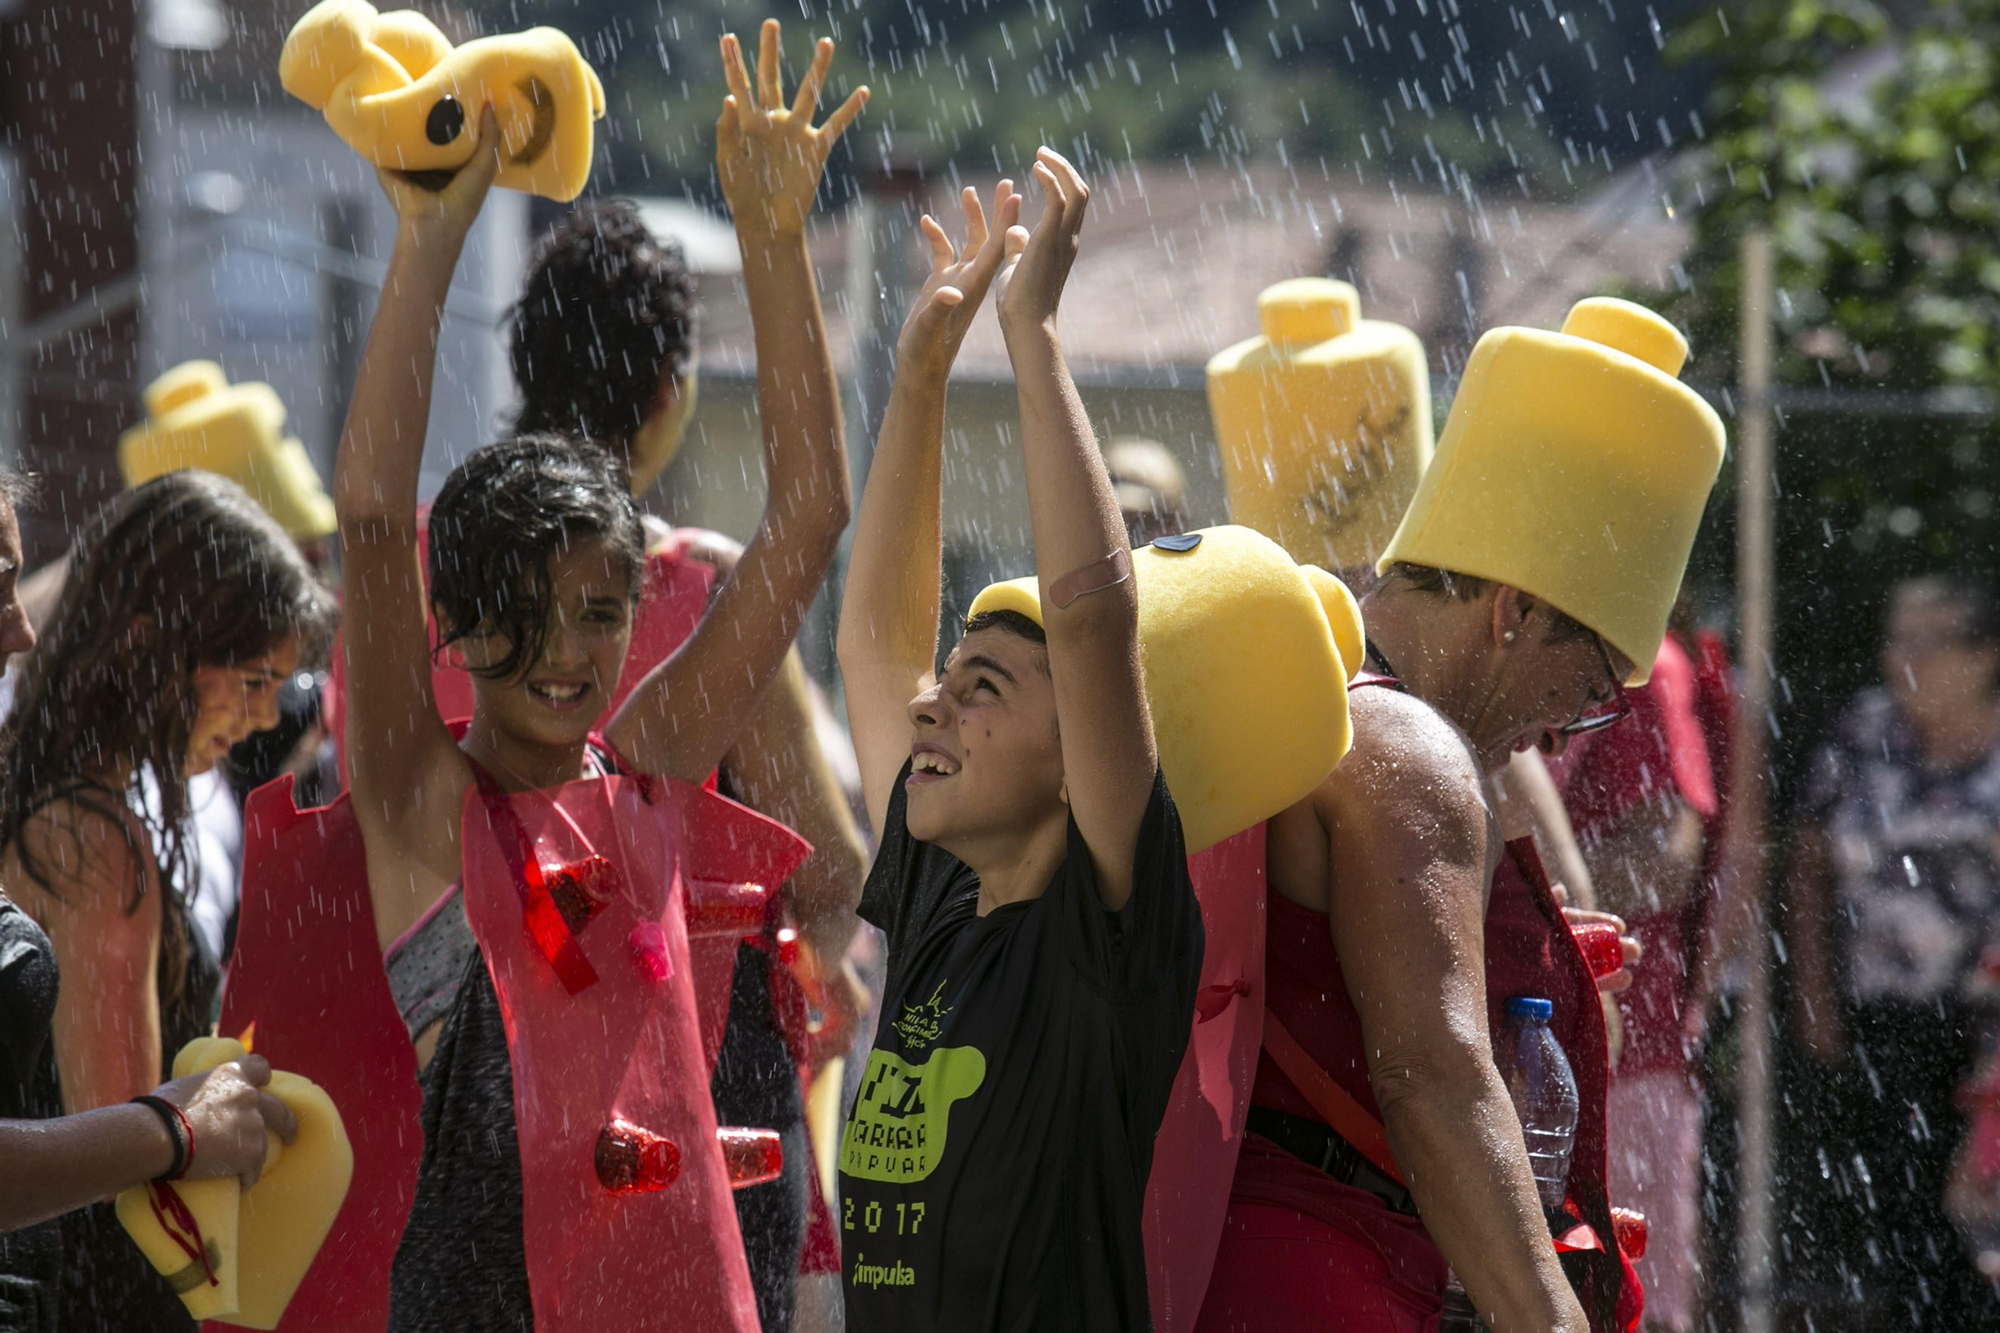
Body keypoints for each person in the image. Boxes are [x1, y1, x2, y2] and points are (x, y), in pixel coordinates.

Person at [333, 20, 858, 1328]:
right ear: (446, 620)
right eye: (527, 614)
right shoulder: (418, 803)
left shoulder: (645, 773)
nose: (571, 653)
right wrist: (431, 237)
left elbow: (808, 518)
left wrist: (778, 243)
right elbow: (362, 511)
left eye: (602, 610)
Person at [1195, 298, 1725, 1333]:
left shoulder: (1294, 688)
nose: (1567, 730)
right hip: (1321, 1276)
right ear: (1512, 612)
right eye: (1581, 685)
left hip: (1227, 1249)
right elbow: (1433, 1078)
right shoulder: (1408, 754)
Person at [835, 150, 1202, 1330]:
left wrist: (1032, 338)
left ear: (1075, 761)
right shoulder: (942, 896)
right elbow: (875, 649)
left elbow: (1093, 626)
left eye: (982, 685)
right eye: (948, 682)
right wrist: (919, 380)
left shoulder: (1104, 935)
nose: (931, 706)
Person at [504, 197, 870, 1333]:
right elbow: (832, 871)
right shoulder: (694, 595)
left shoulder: (425, 571)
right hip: (686, 1107)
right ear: (667, 390)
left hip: (473, 1098)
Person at [0, 471, 333, 1332]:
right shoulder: (92, 840)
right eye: (254, 679)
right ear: (149, 644)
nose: (264, 717)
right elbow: (130, 1189)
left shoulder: (40, 791)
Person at [1786, 573, 2000, 1330]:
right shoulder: (1861, 730)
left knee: (1978, 1228)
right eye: (1895, 638)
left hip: (1985, 1035)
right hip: (1879, 1020)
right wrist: (1815, 997)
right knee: (1896, 1221)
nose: (1901, 656)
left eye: (1926, 640)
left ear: (1984, 656)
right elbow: (1807, 867)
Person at [1553, 607, 1730, 1333]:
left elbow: (1667, 852)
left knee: (1635, 1307)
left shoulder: (1639, 661)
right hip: (1553, 1042)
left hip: (1633, 1049)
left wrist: (1516, 901)